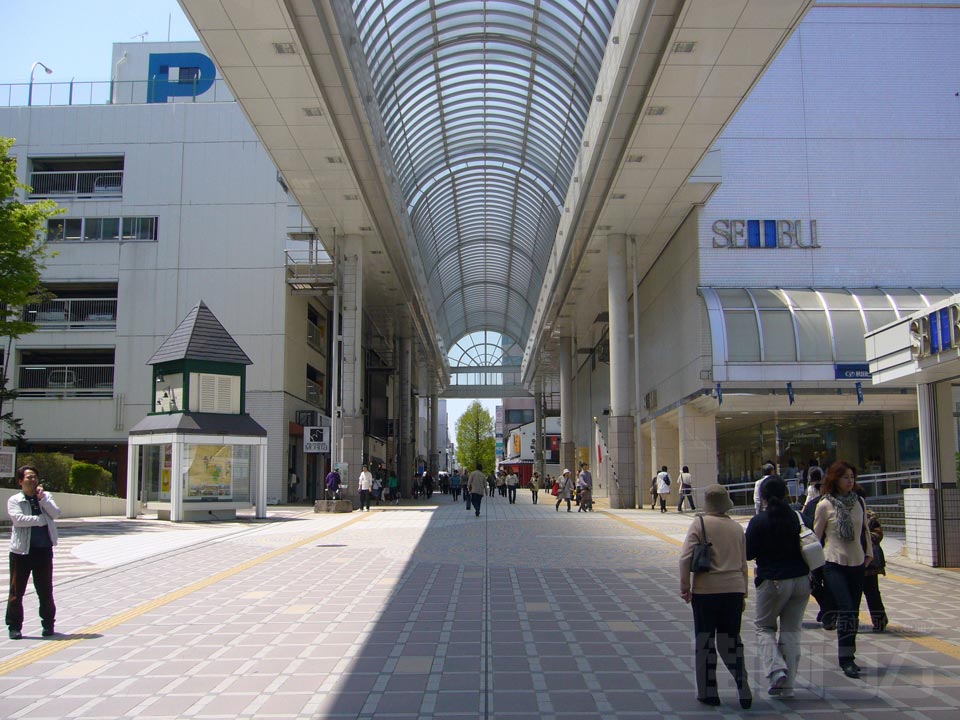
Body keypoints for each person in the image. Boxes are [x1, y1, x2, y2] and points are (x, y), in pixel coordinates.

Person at [679, 484, 752, 709]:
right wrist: (744, 594)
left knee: (705, 641)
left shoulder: (700, 524)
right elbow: (743, 563)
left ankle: (709, 692)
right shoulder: (737, 528)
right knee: (731, 639)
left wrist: (685, 586)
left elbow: (684, 558)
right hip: (734, 589)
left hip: (706, 591)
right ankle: (742, 681)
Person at [745, 477, 810, 699]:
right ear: (786, 494)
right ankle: (787, 685)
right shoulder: (797, 517)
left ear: (762, 497)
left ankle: (775, 670)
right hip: (801, 580)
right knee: (791, 632)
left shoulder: (759, 521)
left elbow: (748, 553)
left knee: (764, 628)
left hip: (772, 581)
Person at [814, 461, 872, 679]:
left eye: (852, 477)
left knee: (853, 612)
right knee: (846, 609)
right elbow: (816, 536)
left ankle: (850, 656)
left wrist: (869, 556)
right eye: (846, 477)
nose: (850, 481)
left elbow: (864, 531)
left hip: (857, 563)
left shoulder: (859, 502)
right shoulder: (824, 505)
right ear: (835, 479)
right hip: (833, 563)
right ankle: (845, 660)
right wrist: (813, 566)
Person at [7, 465, 61, 640]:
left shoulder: (45, 497)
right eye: (28, 477)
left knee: (45, 590)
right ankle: (14, 626)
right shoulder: (15, 500)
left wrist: (43, 499)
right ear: (20, 481)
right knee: (17, 591)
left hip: (43, 551)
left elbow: (56, 513)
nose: (32, 480)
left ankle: (48, 625)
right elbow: (18, 520)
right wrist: (41, 520)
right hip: (21, 552)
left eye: (34, 477)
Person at [857, 485, 888, 633]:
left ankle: (880, 621)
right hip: (856, 561)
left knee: (872, 592)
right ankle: (852, 621)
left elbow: (878, 535)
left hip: (869, 563)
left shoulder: (870, 516)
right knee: (858, 593)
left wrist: (865, 539)